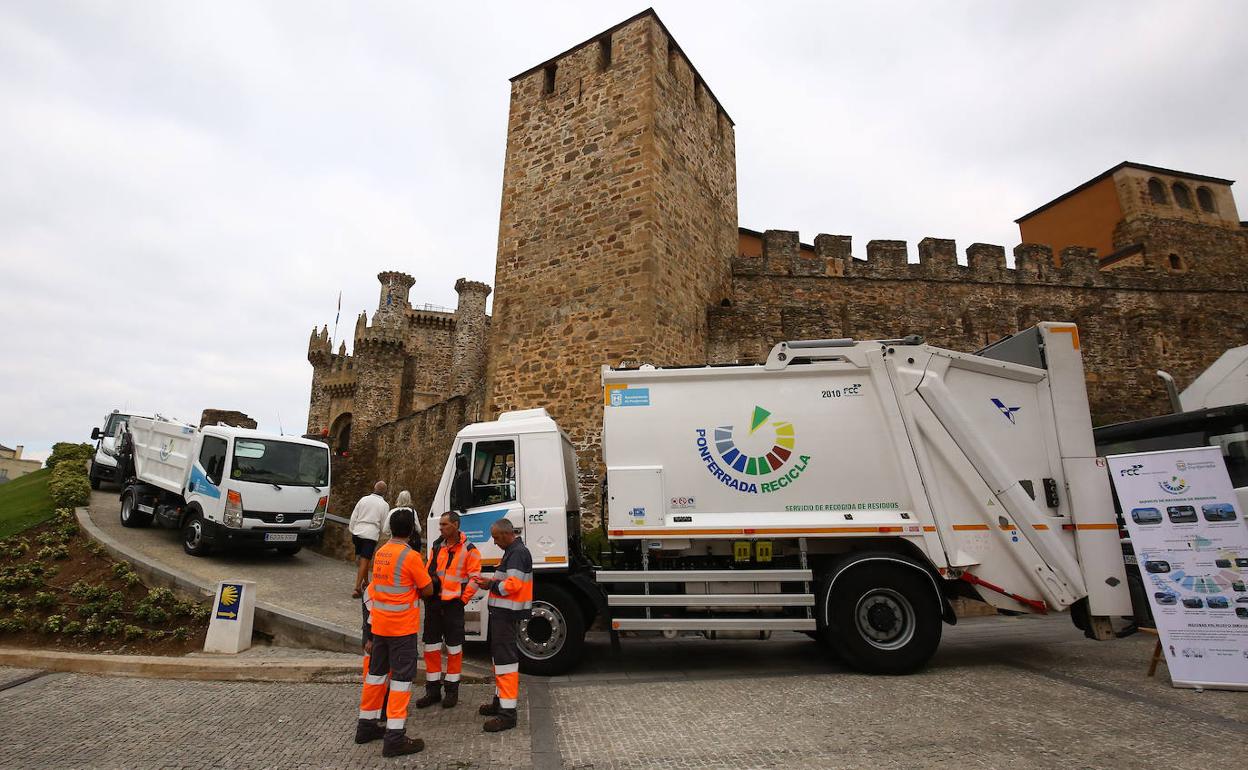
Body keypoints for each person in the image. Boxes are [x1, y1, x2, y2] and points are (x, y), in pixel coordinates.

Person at [354, 508, 434, 757]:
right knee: (400, 681)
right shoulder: (410, 557)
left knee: (376, 677)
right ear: (411, 531)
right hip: (401, 629)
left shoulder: (381, 553)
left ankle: (366, 726)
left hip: (380, 627)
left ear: (390, 528)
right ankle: (395, 738)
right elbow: (428, 589)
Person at [415, 511, 481, 710]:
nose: (441, 527)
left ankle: (451, 691)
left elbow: (475, 578)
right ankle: (432, 691)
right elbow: (428, 571)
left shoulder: (470, 549)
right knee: (431, 647)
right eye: (440, 525)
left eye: (444, 524)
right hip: (434, 604)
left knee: (454, 649)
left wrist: (462, 600)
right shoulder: (436, 546)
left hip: (453, 605)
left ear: (455, 525)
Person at [471, 517, 532, 733]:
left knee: (505, 662)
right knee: (499, 660)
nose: (495, 542)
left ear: (507, 534)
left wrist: (490, 584)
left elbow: (513, 585)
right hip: (503, 614)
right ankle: (499, 702)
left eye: (496, 537)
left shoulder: (517, 552)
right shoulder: (513, 551)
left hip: (507, 614)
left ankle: (507, 714)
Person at [349, 481, 389, 598]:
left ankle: (366, 582)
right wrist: (382, 535)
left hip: (358, 531)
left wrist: (353, 530)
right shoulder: (384, 505)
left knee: (362, 561)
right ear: (385, 492)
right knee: (365, 561)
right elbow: (384, 524)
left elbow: (354, 516)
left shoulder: (363, 499)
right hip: (370, 534)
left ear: (374, 488)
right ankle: (357, 588)